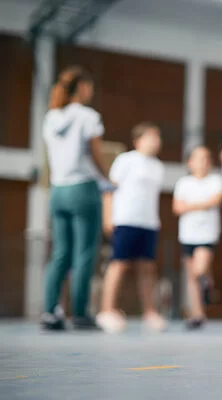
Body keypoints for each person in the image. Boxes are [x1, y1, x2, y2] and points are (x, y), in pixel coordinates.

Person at [41, 66, 110, 330]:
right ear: (81, 87)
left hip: (58, 190)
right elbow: (95, 152)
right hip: (82, 189)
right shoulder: (88, 116)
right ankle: (79, 313)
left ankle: (50, 312)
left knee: (60, 253)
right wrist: (108, 178)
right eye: (89, 86)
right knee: (84, 254)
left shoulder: (51, 117)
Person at [96, 122, 166, 333]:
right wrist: (108, 218)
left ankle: (150, 312)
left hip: (148, 223)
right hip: (125, 220)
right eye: (152, 137)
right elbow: (109, 190)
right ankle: (107, 310)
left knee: (147, 268)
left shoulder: (158, 167)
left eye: (158, 137)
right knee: (119, 264)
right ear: (138, 140)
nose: (157, 142)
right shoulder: (125, 160)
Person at [173, 146, 222, 330]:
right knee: (191, 277)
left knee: (199, 269)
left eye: (206, 158)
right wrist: (203, 205)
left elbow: (216, 201)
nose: (203, 162)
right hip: (188, 234)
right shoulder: (183, 183)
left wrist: (190, 206)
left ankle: (208, 282)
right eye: (199, 158)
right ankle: (197, 313)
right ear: (190, 162)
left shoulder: (216, 180)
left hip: (207, 233)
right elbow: (178, 207)